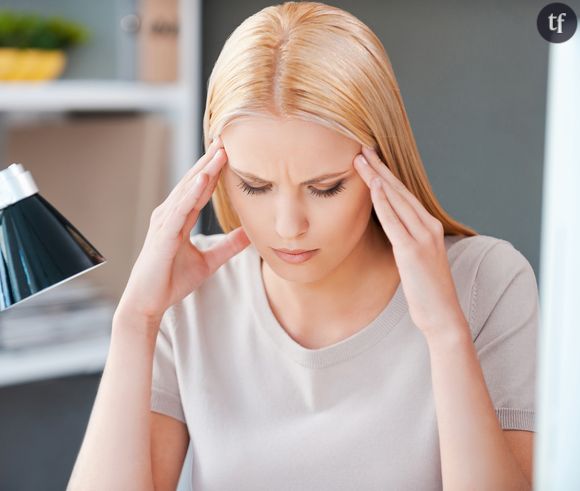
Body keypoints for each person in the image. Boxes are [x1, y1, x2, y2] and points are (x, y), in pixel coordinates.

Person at [68, 2, 538, 490]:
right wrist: (135, 322)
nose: (288, 226)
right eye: (254, 185)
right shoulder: (187, 296)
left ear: (383, 166)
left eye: (326, 187)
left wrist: (444, 330)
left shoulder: (487, 281)